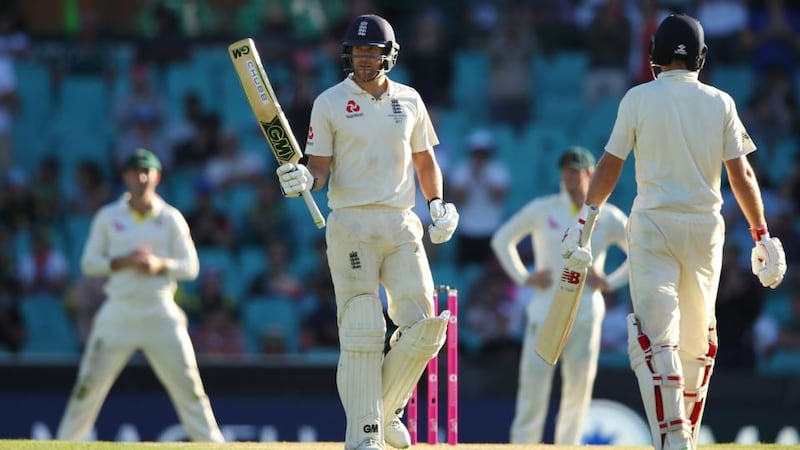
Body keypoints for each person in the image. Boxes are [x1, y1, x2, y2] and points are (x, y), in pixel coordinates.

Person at [560, 14, 787, 450]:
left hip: (654, 226)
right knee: (696, 342)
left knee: (655, 337)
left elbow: (610, 165)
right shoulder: (720, 101)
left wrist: (584, 221)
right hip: (705, 230)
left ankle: (674, 439)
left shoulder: (639, 98)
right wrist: (762, 235)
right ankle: (680, 439)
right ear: (701, 58)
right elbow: (741, 175)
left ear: (654, 55)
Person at [275, 14, 458, 450]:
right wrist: (304, 178)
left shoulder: (410, 100)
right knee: (362, 326)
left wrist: (437, 204)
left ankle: (384, 408)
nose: (362, 59)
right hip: (351, 223)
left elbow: (425, 161)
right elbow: (318, 167)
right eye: (356, 51)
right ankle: (365, 435)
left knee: (427, 328)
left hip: (400, 221)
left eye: (371, 52)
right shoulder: (330, 101)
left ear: (388, 55)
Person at [56, 149, 224, 443]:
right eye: (135, 171)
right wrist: (124, 262)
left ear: (157, 176)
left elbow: (191, 268)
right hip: (118, 311)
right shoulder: (108, 217)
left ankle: (212, 444)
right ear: (125, 176)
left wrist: (159, 265)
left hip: (160, 311)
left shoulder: (170, 218)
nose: (142, 177)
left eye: (148, 171)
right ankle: (64, 444)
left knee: (189, 386)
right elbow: (88, 264)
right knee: (87, 386)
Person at [491, 146, 629, 445]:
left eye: (575, 170)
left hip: (586, 309)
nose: (568, 176)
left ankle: (569, 444)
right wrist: (524, 276)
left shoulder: (608, 216)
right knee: (533, 383)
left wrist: (610, 281)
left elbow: (639, 251)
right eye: (565, 170)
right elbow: (502, 239)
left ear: (591, 174)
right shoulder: (544, 208)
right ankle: (524, 444)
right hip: (545, 306)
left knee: (578, 385)